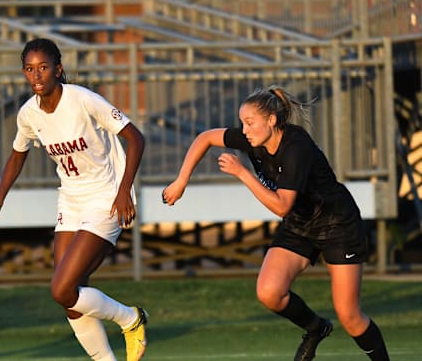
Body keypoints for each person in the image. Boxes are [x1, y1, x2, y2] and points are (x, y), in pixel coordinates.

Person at [162, 85, 390, 361]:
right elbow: (206, 137)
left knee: (349, 315)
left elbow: (282, 205)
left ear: (271, 120)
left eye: (249, 123)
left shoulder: (296, 146)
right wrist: (181, 180)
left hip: (336, 224)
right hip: (299, 224)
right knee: (269, 292)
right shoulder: (253, 139)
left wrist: (243, 174)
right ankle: (316, 328)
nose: (244, 130)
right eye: (242, 123)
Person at [0, 38, 148, 361]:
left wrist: (125, 189)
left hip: (106, 198)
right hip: (70, 201)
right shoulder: (28, 114)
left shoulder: (83, 100)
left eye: (43, 67)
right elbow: (17, 155)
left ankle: (131, 318)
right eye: (29, 69)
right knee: (70, 296)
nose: (36, 76)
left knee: (61, 290)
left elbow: (135, 138)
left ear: (58, 69)